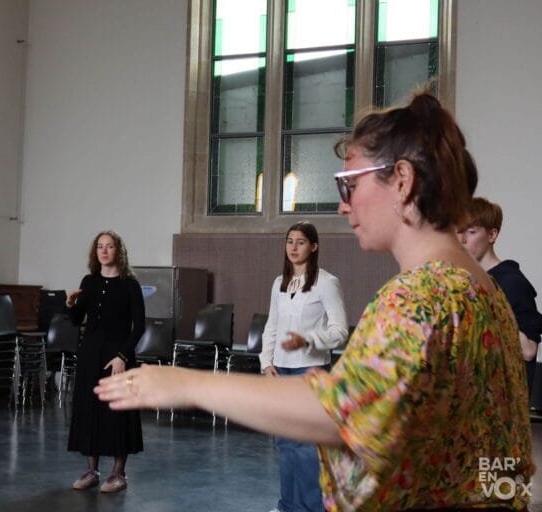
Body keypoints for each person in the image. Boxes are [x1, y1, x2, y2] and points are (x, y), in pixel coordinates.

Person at [95, 92, 533, 510]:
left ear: (401, 180)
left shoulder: (423, 293)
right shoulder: (480, 287)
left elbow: (342, 414)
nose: (344, 207)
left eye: (348, 185)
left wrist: (186, 384)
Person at [260, 221, 348, 512]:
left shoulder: (326, 282)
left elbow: (339, 331)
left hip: (310, 371)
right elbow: (272, 326)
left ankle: (312, 508)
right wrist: (266, 362)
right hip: (281, 371)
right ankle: (287, 506)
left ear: (314, 246)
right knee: (285, 445)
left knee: (308, 448)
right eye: (289, 241)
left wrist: (307, 340)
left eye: (300, 242)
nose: (293, 247)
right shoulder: (279, 283)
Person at [66, 230, 145, 494]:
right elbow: (78, 320)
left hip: (118, 355)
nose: (104, 251)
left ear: (118, 251)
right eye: (100, 246)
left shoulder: (129, 284)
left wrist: (122, 356)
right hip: (91, 354)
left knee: (118, 412)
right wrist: (70, 304)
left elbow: (139, 326)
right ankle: (92, 470)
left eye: (109, 246)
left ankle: (118, 473)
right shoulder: (88, 281)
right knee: (90, 409)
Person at [458, 197, 542, 395]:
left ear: (492, 234)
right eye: (459, 231)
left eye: (471, 232)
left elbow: (529, 351)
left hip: (503, 401)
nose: (463, 240)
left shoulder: (511, 281)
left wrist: (494, 307)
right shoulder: (466, 280)